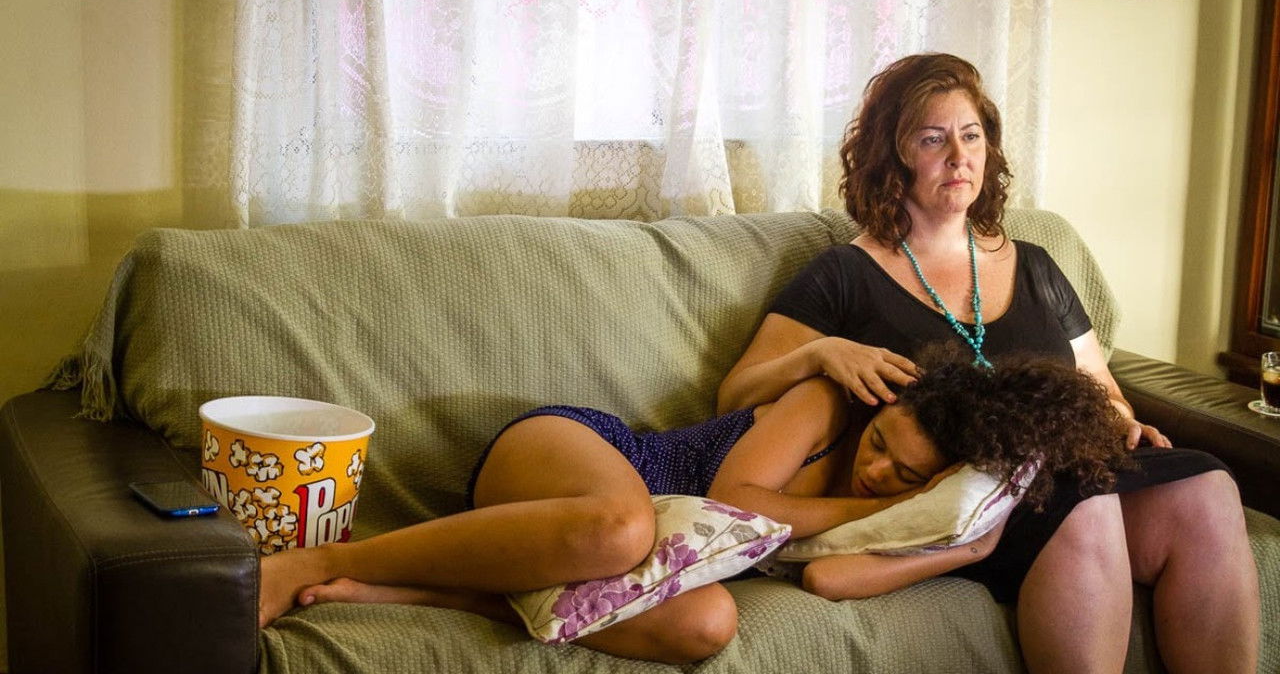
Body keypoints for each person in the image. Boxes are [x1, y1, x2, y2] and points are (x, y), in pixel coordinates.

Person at [717, 52, 1259, 671]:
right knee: (1085, 503)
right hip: (960, 498)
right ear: (891, 156)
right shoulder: (845, 274)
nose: (959, 157)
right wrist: (821, 353)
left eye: (971, 136)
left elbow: (1103, 389)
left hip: (1059, 468)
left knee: (1207, 486)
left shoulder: (1037, 267)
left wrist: (1121, 419)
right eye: (933, 139)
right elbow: (735, 396)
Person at [258, 348, 1130, 664]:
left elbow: (826, 582)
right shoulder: (824, 405)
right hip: (589, 462)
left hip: (636, 557)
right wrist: (866, 507)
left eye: (903, 478)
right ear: (881, 407)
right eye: (880, 445)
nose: (874, 474)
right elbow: (731, 500)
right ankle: (320, 559)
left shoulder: (906, 512)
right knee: (623, 528)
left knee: (707, 625)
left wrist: (960, 546)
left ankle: (432, 590)